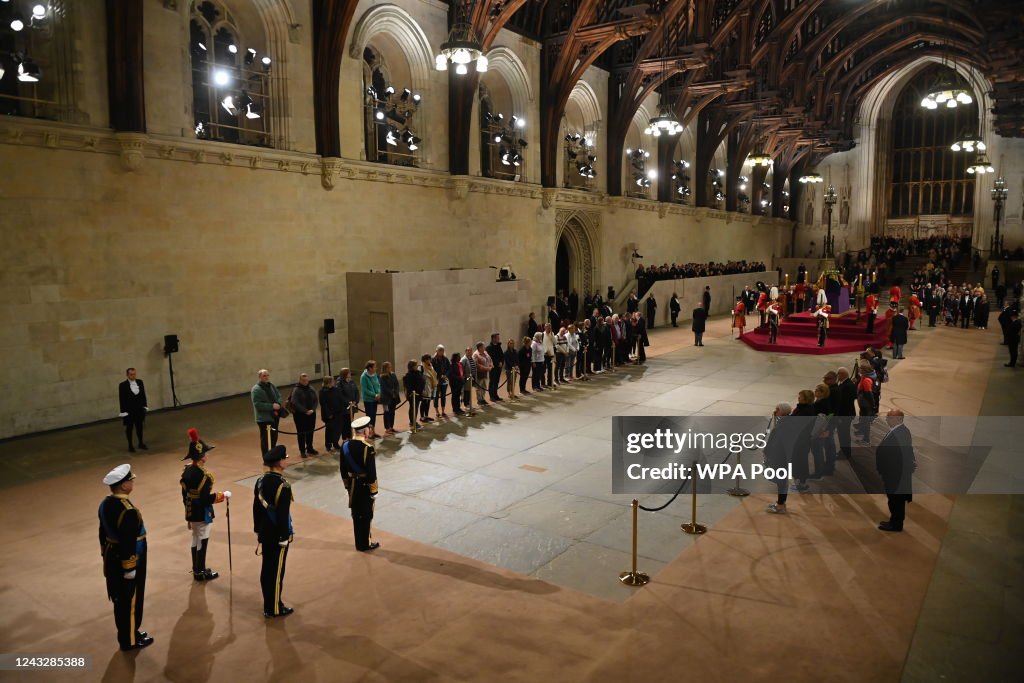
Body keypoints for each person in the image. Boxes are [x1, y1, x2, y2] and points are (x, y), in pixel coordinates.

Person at [99, 464, 153, 650]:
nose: (132, 482)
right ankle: (130, 639)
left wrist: (105, 554)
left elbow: (102, 533)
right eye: (130, 480)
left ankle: (129, 632)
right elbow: (128, 541)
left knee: (120, 599)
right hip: (129, 559)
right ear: (123, 486)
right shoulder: (127, 510)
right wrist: (129, 567)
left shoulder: (105, 503)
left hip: (112, 557)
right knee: (130, 601)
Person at [180, 427, 227, 581]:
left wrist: (188, 512)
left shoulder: (186, 471)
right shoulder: (204, 476)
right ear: (201, 456)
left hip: (190, 510)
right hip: (201, 512)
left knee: (195, 539)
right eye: (205, 453)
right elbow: (205, 498)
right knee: (202, 540)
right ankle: (200, 571)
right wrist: (221, 495)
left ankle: (196, 569)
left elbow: (185, 495)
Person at [253, 445, 294, 617]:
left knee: (266, 569)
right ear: (279, 463)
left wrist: (257, 529)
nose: (286, 460)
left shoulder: (260, 481)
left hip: (265, 532)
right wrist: (284, 536)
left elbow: (256, 508)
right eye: (285, 458)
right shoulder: (282, 486)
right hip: (278, 535)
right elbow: (283, 515)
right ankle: (274, 608)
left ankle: (268, 603)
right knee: (277, 572)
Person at [340, 416, 380, 551]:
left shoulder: (345, 446)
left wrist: (347, 486)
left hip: (352, 486)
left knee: (356, 514)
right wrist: (373, 490)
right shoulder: (367, 448)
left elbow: (342, 469)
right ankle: (365, 543)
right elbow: (371, 472)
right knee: (366, 514)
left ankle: (359, 543)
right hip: (364, 487)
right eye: (369, 429)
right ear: (365, 431)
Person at [875, 410, 914, 532]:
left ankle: (896, 525)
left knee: (896, 500)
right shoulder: (898, 430)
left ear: (899, 419)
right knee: (894, 500)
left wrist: (888, 471)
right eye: (887, 417)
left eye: (890, 418)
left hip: (895, 475)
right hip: (893, 474)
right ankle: (894, 521)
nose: (887, 420)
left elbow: (900, 457)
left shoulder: (901, 433)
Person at [251, 369, 283, 457]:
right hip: (264, 419)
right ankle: (266, 458)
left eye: (267, 375)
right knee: (265, 440)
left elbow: (279, 395)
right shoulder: (256, 389)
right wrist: (272, 406)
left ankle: (273, 455)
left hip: (274, 417)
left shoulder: (271, 385)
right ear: (259, 377)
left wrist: (279, 403)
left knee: (273, 438)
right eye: (264, 376)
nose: (266, 377)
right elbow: (258, 404)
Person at [118, 368, 148, 452]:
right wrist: (123, 412)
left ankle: (141, 443)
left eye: (134, 374)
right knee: (129, 428)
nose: (133, 376)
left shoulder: (140, 382)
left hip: (139, 409)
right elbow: (122, 399)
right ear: (127, 375)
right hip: (129, 410)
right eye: (131, 374)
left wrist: (145, 406)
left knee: (139, 427)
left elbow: (143, 395)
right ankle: (130, 445)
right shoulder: (122, 385)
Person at [289, 373, 319, 457]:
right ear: (300, 380)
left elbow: (316, 400)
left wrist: (313, 409)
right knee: (301, 433)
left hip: (311, 414)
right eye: (303, 380)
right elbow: (295, 402)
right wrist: (305, 411)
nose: (306, 382)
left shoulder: (311, 388)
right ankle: (302, 450)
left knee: (310, 431)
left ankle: (310, 448)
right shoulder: (296, 390)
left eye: (307, 380)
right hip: (300, 415)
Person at [834, 367, 857, 459]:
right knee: (844, 434)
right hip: (848, 413)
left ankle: (845, 453)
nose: (837, 376)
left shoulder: (846, 386)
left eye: (838, 374)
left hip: (844, 415)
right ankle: (845, 451)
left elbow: (843, 403)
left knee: (843, 434)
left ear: (843, 374)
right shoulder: (848, 384)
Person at [319, 376, 343, 451]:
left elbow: (340, 399)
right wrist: (329, 414)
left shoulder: (336, 389)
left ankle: (335, 442)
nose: (334, 382)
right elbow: (323, 404)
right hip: (329, 415)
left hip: (338, 413)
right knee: (330, 430)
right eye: (333, 381)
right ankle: (328, 444)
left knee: (338, 429)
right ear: (329, 382)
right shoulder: (322, 391)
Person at [360, 361, 381, 438]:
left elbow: (378, 384)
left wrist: (379, 393)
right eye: (374, 367)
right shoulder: (363, 377)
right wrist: (374, 395)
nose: (376, 368)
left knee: (374, 416)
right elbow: (365, 390)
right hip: (368, 400)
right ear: (370, 368)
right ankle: (369, 433)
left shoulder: (375, 375)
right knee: (369, 417)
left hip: (375, 399)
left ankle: (373, 432)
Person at [337, 368, 360, 441]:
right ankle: (345, 438)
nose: (350, 374)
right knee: (345, 423)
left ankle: (350, 436)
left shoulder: (351, 381)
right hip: (345, 407)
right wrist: (348, 402)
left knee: (351, 421)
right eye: (349, 373)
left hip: (352, 406)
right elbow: (340, 395)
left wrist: (355, 401)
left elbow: (356, 391)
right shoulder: (339, 383)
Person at [379, 361, 400, 435]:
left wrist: (396, 392)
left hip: (394, 397)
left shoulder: (393, 374)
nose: (390, 368)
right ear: (385, 368)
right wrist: (391, 393)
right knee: (387, 412)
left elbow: (397, 384)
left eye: (390, 367)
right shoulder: (382, 377)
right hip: (386, 398)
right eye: (388, 367)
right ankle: (387, 428)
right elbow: (383, 388)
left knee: (392, 412)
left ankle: (391, 426)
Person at [402, 360, 424, 429]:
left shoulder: (418, 373)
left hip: (418, 393)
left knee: (416, 408)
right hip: (413, 394)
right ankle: (412, 421)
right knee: (412, 408)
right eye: (416, 365)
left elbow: (422, 381)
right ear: (412, 366)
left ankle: (414, 421)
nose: (417, 366)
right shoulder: (409, 375)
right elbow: (410, 386)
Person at [431, 346, 451, 418]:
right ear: (436, 351)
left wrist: (446, 375)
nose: (441, 352)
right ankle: (437, 411)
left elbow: (449, 368)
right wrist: (439, 376)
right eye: (440, 351)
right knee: (436, 396)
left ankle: (443, 411)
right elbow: (432, 370)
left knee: (443, 396)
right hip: (436, 381)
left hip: (444, 381)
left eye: (442, 351)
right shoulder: (433, 360)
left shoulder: (445, 359)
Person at [486, 333, 505, 402]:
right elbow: (490, 358)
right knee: (492, 382)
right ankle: (491, 396)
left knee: (496, 381)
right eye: (497, 338)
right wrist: (497, 363)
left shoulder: (498, 346)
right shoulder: (488, 348)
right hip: (493, 368)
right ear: (493, 338)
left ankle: (495, 395)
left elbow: (502, 355)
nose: (498, 339)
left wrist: (501, 362)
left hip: (499, 367)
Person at [419, 354, 437, 423]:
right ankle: (421, 416)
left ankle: (426, 415)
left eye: (430, 359)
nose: (429, 360)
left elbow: (434, 374)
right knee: (423, 402)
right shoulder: (421, 367)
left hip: (431, 387)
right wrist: (422, 389)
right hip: (425, 387)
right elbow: (420, 379)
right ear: (424, 360)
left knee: (428, 402)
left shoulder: (431, 366)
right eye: (427, 359)